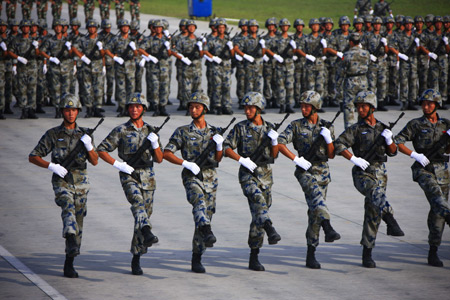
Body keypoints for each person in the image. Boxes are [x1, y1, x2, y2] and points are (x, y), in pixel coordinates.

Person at [29, 94, 98, 278]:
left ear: (78, 112)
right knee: (67, 207)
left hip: (81, 183)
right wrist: (51, 166)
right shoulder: (53, 134)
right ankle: (68, 233)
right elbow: (33, 156)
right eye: (67, 110)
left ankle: (70, 261)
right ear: (62, 112)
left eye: (73, 110)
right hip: (62, 181)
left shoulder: (84, 135)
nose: (70, 113)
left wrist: (90, 147)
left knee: (79, 223)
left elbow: (95, 162)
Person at [334, 90, 404, 268]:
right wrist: (353, 158)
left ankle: (367, 252)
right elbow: (338, 144)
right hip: (362, 173)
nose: (360, 109)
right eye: (358, 106)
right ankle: (391, 219)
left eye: (364, 106)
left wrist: (389, 141)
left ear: (372, 108)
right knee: (374, 193)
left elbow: (394, 152)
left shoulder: (382, 128)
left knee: (373, 212)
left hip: (380, 173)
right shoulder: (356, 129)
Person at [97, 92, 163, 275]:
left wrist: (156, 144)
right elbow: (101, 150)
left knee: (143, 217)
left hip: (148, 176)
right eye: (131, 107)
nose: (134, 109)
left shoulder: (151, 131)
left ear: (144, 109)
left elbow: (159, 159)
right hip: (129, 174)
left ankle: (136, 256)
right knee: (137, 203)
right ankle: (147, 232)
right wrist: (118, 164)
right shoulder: (121, 130)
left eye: (138, 106)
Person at [278, 90, 341, 269]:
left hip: (323, 172)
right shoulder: (296, 125)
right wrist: (295, 159)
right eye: (302, 106)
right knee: (316, 197)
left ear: (316, 108)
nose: (303, 109)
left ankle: (311, 253)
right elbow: (280, 143)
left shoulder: (327, 126)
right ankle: (328, 226)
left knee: (315, 212)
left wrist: (328, 139)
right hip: (305, 170)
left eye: (307, 106)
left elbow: (331, 155)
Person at [163, 92, 224, 273]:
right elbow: (167, 153)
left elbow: (219, 158)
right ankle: (206, 230)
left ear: (204, 109)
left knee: (206, 214)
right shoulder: (183, 131)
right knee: (198, 203)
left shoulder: (215, 132)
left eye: (197, 106)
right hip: (192, 176)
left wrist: (219, 146)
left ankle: (197, 257)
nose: (193, 109)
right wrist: (185, 163)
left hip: (211, 178)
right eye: (191, 106)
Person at [223, 91, 281, 271]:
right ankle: (270, 228)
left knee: (259, 215)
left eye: (250, 108)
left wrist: (274, 142)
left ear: (259, 109)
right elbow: (226, 147)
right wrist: (241, 159)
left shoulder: (270, 127)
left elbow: (275, 155)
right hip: (247, 173)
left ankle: (254, 255)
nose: (247, 111)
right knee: (257, 201)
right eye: (246, 108)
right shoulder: (240, 128)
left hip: (266, 174)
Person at [394, 89, 450, 267]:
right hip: (423, 169)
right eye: (424, 103)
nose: (426, 106)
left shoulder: (445, 125)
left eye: (429, 103)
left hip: (443, 170)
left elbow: (448, 150)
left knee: (437, 213)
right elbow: (398, 141)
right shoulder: (416, 124)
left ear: (437, 105)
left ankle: (433, 251)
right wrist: (414, 155)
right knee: (438, 198)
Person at [40, 19, 74, 118]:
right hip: (54, 68)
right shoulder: (50, 40)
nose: (58, 28)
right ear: (54, 28)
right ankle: (57, 110)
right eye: (56, 26)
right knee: (55, 90)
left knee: (66, 91)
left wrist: (69, 48)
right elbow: (42, 51)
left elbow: (72, 54)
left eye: (60, 26)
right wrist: (50, 58)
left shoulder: (67, 40)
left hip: (66, 68)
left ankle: (65, 109)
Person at [72, 19, 106, 118]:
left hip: (98, 65)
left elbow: (104, 54)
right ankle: (89, 109)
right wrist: (82, 57)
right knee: (87, 89)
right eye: (90, 27)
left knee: (98, 88)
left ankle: (97, 108)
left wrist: (101, 48)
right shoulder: (83, 39)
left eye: (94, 27)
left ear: (96, 28)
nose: (92, 29)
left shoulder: (101, 40)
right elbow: (74, 48)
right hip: (86, 67)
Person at [104, 19, 138, 117]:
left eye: (126, 26)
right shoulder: (116, 39)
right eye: (123, 26)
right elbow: (106, 49)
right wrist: (114, 58)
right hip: (120, 66)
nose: (125, 28)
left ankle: (130, 108)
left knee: (131, 88)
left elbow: (137, 53)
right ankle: (123, 108)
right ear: (120, 28)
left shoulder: (133, 39)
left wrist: (134, 48)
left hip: (130, 66)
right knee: (121, 88)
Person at [138, 19, 171, 116]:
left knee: (164, 88)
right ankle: (156, 107)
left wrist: (168, 47)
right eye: (156, 27)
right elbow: (140, 49)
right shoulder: (150, 39)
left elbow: (169, 54)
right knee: (155, 88)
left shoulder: (166, 39)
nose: (158, 29)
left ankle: (163, 107)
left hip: (164, 67)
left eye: (160, 27)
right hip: (153, 68)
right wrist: (149, 57)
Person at [8, 19, 40, 119]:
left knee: (32, 89)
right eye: (24, 27)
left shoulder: (33, 40)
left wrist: (36, 47)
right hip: (22, 68)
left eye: (27, 27)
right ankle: (24, 110)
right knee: (22, 89)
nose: (26, 28)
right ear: (21, 28)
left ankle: (31, 110)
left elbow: (38, 55)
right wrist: (18, 58)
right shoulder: (16, 40)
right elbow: (10, 51)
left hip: (32, 67)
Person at [202, 18, 234, 115]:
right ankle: (217, 105)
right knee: (217, 86)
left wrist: (231, 47)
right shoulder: (213, 40)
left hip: (227, 65)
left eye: (223, 27)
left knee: (227, 86)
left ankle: (227, 106)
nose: (221, 29)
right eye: (219, 27)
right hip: (216, 65)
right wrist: (213, 57)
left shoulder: (229, 40)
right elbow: (205, 51)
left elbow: (233, 54)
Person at [342, 32, 370, 129]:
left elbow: (342, 71)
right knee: (363, 106)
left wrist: (338, 87)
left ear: (350, 42)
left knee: (349, 107)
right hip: (363, 80)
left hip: (351, 81)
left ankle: (350, 130)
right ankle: (363, 128)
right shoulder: (366, 53)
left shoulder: (346, 54)